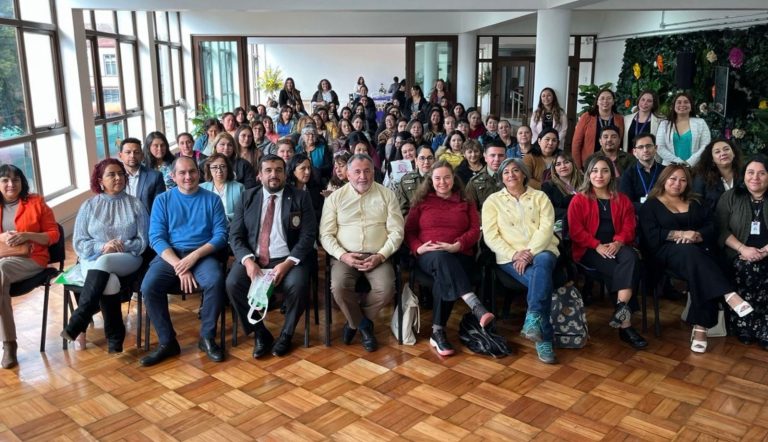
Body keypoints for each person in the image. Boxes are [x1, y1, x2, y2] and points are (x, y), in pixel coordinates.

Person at [641, 164, 754, 353]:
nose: (677, 183)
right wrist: (680, 234)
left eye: (683, 180)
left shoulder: (696, 202)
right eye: (673, 179)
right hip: (665, 254)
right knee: (694, 257)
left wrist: (696, 235)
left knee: (700, 265)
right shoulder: (651, 205)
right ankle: (728, 295)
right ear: (664, 179)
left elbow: (712, 226)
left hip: (698, 251)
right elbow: (651, 236)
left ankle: (701, 327)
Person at [139, 156, 229, 366]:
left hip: (202, 254)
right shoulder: (163, 200)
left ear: (199, 173)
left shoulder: (212, 199)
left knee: (215, 281)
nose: (188, 176)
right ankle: (167, 342)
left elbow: (220, 235)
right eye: (182, 173)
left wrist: (193, 257)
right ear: (173, 176)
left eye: (192, 172)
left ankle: (206, 337)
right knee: (149, 286)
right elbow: (156, 237)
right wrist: (180, 267)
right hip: (171, 256)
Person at [227, 154, 317, 358]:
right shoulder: (247, 197)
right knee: (233, 283)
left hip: (288, 259)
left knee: (299, 285)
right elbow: (235, 235)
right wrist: (248, 262)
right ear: (259, 175)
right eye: (268, 170)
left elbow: (308, 235)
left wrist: (287, 264)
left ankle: (286, 334)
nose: (273, 175)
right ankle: (260, 333)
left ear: (285, 174)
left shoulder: (300, 197)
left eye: (278, 170)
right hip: (255, 258)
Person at [60, 159, 148, 353]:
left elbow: (143, 242)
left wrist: (120, 246)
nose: (118, 177)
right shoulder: (88, 206)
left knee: (106, 261)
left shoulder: (135, 204)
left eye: (121, 173)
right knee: (110, 282)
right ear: (100, 180)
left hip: (128, 258)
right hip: (92, 258)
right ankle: (115, 338)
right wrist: (102, 246)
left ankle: (79, 318)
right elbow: (80, 243)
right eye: (112, 174)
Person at [405, 161, 491, 356]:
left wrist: (457, 245)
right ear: (431, 180)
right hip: (429, 256)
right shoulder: (422, 201)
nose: (442, 182)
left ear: (454, 179)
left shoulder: (465, 201)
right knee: (442, 260)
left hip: (460, 254)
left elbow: (473, 231)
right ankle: (474, 304)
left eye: (446, 177)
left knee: (445, 272)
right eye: (437, 178)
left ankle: (437, 332)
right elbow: (409, 231)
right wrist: (418, 248)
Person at [319, 154, 404, 352]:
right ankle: (365, 326)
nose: (362, 176)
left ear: (374, 172)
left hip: (378, 255)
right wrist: (343, 255)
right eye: (357, 172)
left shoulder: (387, 195)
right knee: (339, 286)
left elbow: (397, 232)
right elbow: (326, 234)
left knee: (386, 289)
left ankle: (353, 322)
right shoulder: (335, 199)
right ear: (347, 174)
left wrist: (381, 255)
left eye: (367, 171)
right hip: (346, 256)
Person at [483, 158, 560, 363]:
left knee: (542, 263)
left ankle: (533, 318)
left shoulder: (540, 197)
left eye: (515, 170)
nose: (511, 175)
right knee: (540, 280)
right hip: (510, 257)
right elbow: (491, 236)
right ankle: (543, 336)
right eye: (506, 172)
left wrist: (530, 252)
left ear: (524, 174)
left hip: (542, 250)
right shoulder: (492, 201)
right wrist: (514, 254)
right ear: (501, 177)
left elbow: (546, 228)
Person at [567, 155, 648, 349]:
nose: (599, 175)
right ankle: (626, 326)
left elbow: (630, 226)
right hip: (589, 248)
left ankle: (621, 308)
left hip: (617, 245)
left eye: (604, 171)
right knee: (618, 269)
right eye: (594, 171)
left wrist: (619, 242)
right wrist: (597, 245)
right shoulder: (579, 200)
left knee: (630, 258)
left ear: (611, 175)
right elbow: (575, 230)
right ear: (588, 175)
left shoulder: (622, 200)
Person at [0, 165, 59, 368]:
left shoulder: (36, 202)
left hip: (33, 258)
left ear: (22, 182)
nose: (10, 184)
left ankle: (9, 344)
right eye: (5, 180)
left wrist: (27, 235)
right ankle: (8, 342)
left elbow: (54, 235)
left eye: (15, 180)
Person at [717, 155, 768, 347]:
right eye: (751, 172)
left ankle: (762, 325)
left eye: (762, 173)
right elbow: (720, 229)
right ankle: (745, 323)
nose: (755, 177)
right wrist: (743, 249)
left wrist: (766, 250)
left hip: (766, 252)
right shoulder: (731, 197)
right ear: (744, 175)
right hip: (737, 252)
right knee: (746, 268)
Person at [572, 88, 625, 170]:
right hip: (589, 164)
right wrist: (578, 167)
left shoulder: (619, 119)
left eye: (609, 98)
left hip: (612, 165)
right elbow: (576, 143)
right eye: (602, 98)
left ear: (613, 102)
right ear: (597, 101)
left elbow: (620, 141)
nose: (605, 101)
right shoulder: (587, 117)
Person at [656, 92, 710, 166]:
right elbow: (660, 147)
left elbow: (705, 145)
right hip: (670, 168)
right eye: (679, 102)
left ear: (691, 106)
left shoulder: (700, 123)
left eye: (686, 102)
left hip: (695, 168)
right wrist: (678, 162)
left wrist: (689, 162)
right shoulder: (664, 124)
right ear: (674, 106)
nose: (682, 105)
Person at [692, 139, 743, 213]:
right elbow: (696, 205)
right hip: (713, 222)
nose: (723, 153)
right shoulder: (702, 178)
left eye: (726, 149)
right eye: (717, 152)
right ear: (712, 159)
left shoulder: (745, 174)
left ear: (734, 153)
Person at [619, 133, 666, 212]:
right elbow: (626, 202)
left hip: (662, 213)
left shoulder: (665, 171)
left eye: (649, 146)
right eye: (641, 147)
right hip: (637, 214)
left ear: (655, 148)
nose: (645, 150)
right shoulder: (628, 174)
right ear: (634, 152)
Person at [118, 137, 166, 213]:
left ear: (142, 155)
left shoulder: (155, 177)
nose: (132, 156)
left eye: (136, 152)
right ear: (120, 155)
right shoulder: (115, 177)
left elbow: (160, 207)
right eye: (128, 152)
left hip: (146, 222)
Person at [542, 152, 583, 229]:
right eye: (558, 164)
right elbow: (549, 210)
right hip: (561, 225)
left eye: (566, 162)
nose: (563, 166)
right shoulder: (548, 186)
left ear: (573, 164)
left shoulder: (584, 182)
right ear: (554, 169)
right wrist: (573, 213)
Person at [200, 154, 245, 222]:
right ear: (209, 169)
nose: (219, 171)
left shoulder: (239, 187)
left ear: (228, 168)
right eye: (215, 167)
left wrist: (224, 218)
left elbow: (244, 211)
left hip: (232, 227)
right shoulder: (201, 188)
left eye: (223, 166)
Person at [466, 140, 506, 210]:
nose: (496, 159)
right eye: (492, 155)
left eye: (501, 155)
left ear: (506, 157)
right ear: (485, 157)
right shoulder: (474, 182)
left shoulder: (513, 178)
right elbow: (471, 211)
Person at [397, 144, 435, 215]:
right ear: (416, 161)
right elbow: (401, 209)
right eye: (422, 158)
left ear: (434, 160)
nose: (426, 162)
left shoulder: (441, 179)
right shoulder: (405, 180)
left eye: (430, 158)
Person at [287, 153, 324, 223]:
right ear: (293, 171)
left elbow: (321, 213)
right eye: (303, 168)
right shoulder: (287, 191)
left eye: (309, 168)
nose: (307, 172)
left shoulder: (317, 188)